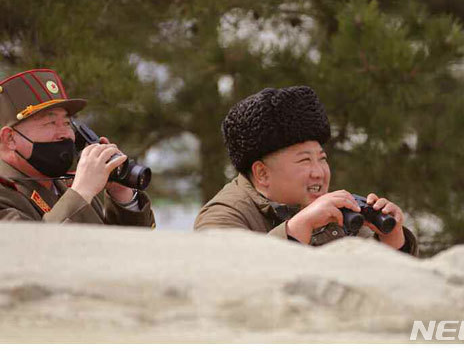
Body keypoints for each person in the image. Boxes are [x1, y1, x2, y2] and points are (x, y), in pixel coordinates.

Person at [194, 86, 418, 255]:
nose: (319, 172)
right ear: (262, 174)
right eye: (304, 161)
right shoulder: (222, 217)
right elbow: (227, 280)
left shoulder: (334, 211)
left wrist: (393, 241)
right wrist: (298, 228)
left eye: (322, 159)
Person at [0, 69, 155, 227]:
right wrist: (81, 192)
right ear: (10, 138)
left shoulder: (67, 185)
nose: (65, 134)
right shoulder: (78, 190)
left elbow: (125, 247)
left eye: (67, 123)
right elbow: (31, 248)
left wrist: (122, 195)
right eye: (50, 123)